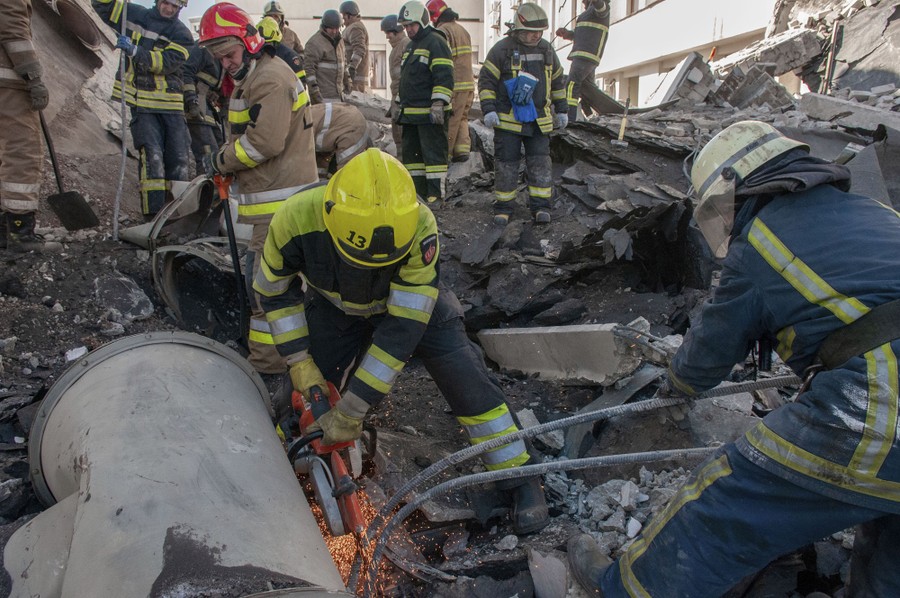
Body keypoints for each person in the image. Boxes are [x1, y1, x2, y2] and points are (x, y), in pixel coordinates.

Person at [568, 121, 900, 597]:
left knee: (727, 502)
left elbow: (713, 347)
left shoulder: (764, 239)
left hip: (879, 403)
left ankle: (623, 590)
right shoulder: (873, 211)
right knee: (889, 525)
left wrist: (677, 386)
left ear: (733, 188)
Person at [253, 148, 551, 535]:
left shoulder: (420, 225)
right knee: (301, 404)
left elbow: (402, 331)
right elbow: (275, 293)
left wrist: (355, 408)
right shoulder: (294, 219)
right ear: (331, 219)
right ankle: (283, 476)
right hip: (335, 308)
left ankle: (520, 476)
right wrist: (299, 361)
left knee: (466, 379)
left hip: (417, 309)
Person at [198, 2, 317, 375]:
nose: (226, 63)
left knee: (268, 292)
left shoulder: (269, 79)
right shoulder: (254, 76)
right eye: (220, 58)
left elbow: (263, 143)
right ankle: (277, 363)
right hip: (273, 201)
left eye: (229, 54)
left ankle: (270, 370)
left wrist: (222, 161)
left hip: (280, 205)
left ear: (248, 41)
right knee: (264, 285)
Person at [93, 0, 193, 220]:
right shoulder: (133, 14)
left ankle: (180, 216)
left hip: (171, 106)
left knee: (178, 160)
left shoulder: (182, 34)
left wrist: (135, 51)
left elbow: (165, 62)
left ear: (180, 9)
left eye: (174, 6)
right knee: (151, 159)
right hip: (142, 104)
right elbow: (102, 6)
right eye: (166, 3)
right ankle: (153, 217)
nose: (168, 9)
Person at [478, 2, 568, 226]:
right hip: (508, 122)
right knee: (506, 165)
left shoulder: (547, 50)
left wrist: (563, 110)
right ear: (518, 29)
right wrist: (489, 110)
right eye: (531, 32)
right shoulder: (501, 50)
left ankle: (540, 208)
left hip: (539, 122)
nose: (535, 36)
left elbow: (558, 82)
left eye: (539, 32)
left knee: (540, 165)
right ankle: (504, 208)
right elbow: (487, 81)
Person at [0, 0, 54, 252]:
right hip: (7, 82)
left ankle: (4, 230)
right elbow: (13, 31)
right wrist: (32, 76)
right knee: (22, 151)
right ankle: (20, 233)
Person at [396, 0, 453, 204]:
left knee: (434, 158)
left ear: (422, 21)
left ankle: (436, 197)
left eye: (411, 25)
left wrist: (438, 103)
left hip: (430, 114)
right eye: (405, 26)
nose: (409, 30)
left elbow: (444, 76)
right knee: (413, 161)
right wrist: (397, 103)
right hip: (411, 115)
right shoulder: (411, 46)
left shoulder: (435, 42)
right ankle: (418, 196)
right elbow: (406, 79)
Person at [426, 0, 474, 163]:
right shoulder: (462, 30)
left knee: (450, 120)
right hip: (468, 85)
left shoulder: (442, 31)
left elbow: (442, 58)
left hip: (454, 85)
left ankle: (443, 156)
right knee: (462, 117)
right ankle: (462, 151)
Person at [555, 0, 609, 120]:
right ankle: (590, 116)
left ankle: (569, 119)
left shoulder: (600, 8)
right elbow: (582, 34)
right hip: (587, 56)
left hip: (585, 56)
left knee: (571, 86)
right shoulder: (588, 13)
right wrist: (567, 34)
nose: (582, 2)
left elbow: (602, 9)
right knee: (587, 89)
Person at [182, 45, 224, 176]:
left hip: (206, 104)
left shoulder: (222, 54)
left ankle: (216, 191)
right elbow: (184, 72)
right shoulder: (201, 50)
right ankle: (207, 192)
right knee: (208, 153)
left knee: (220, 150)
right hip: (195, 103)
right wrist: (191, 101)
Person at [309, 102, 370, 178]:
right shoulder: (302, 117)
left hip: (352, 128)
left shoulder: (297, 134)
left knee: (347, 173)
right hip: (349, 118)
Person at [381, 14, 409, 156]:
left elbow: (405, 78)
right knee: (398, 135)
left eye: (388, 33)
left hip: (403, 99)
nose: (387, 37)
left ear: (395, 31)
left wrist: (399, 100)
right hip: (398, 98)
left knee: (403, 137)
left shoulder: (405, 45)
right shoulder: (398, 47)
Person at [305, 10, 346, 104]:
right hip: (323, 99)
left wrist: (348, 84)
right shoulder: (314, 43)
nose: (335, 31)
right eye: (332, 29)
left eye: (337, 28)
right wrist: (315, 92)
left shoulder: (340, 42)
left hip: (339, 97)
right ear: (324, 27)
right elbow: (309, 70)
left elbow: (344, 64)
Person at [257, 16, 306, 83]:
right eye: (262, 43)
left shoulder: (290, 57)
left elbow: (300, 85)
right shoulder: (252, 55)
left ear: (275, 42)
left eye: (268, 43)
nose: (265, 47)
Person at [339, 1, 369, 93]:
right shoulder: (351, 28)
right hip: (353, 80)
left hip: (354, 82)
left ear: (349, 15)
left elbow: (359, 49)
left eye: (344, 15)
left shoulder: (355, 28)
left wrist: (351, 68)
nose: (343, 18)